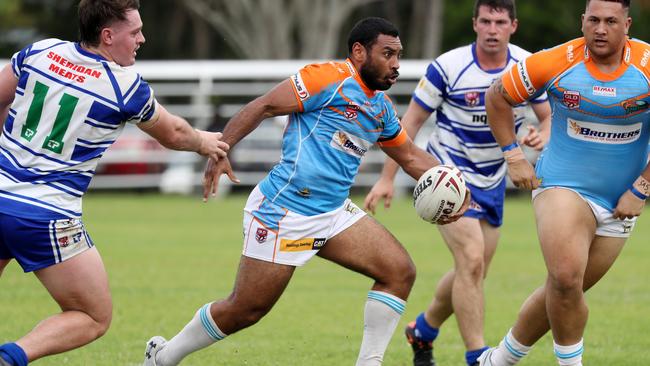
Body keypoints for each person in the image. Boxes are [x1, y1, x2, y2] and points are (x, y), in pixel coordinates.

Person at [142, 17, 469, 366]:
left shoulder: (381, 109)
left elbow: (408, 156)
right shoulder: (325, 78)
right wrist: (220, 149)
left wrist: (455, 184)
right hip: (284, 211)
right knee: (246, 309)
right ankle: (163, 357)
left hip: (332, 213)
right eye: (387, 54)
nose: (396, 65)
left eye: (398, 55)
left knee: (398, 271)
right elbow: (265, 105)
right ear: (359, 52)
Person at [0, 1, 229, 365]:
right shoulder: (123, 85)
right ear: (108, 36)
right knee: (93, 315)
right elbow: (172, 133)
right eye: (135, 32)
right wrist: (207, 143)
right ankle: (10, 358)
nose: (142, 39)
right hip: (46, 215)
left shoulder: (41, 51)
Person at [363, 1, 550, 365]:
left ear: (513, 26)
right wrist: (388, 179)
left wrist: (542, 134)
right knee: (471, 259)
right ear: (475, 24)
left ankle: (423, 330)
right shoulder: (448, 67)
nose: (492, 29)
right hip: (447, 174)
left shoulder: (527, 67)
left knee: (474, 269)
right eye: (485, 21)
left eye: (500, 22)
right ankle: (477, 355)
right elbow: (409, 125)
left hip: (494, 176)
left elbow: (548, 117)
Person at [478, 1, 649, 365]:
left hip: (621, 202)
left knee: (563, 288)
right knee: (567, 277)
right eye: (593, 20)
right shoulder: (554, 61)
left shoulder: (647, 65)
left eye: (610, 21)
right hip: (561, 186)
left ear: (627, 24)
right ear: (582, 21)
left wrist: (642, 188)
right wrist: (513, 155)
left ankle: (497, 361)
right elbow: (497, 96)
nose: (600, 29)